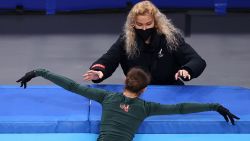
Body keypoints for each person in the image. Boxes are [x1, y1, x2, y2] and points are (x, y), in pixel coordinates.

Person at [17, 67, 239, 141]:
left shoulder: (107, 98)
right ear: (144, 89)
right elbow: (181, 108)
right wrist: (215, 106)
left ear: (125, 83)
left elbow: (73, 87)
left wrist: (39, 71)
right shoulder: (147, 107)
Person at [83, 1, 206, 85]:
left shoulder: (171, 38)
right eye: (139, 24)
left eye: (148, 24)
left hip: (169, 88)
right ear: (133, 24)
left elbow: (197, 60)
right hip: (137, 91)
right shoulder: (125, 40)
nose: (144, 28)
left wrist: (187, 70)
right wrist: (99, 72)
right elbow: (109, 59)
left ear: (156, 23)